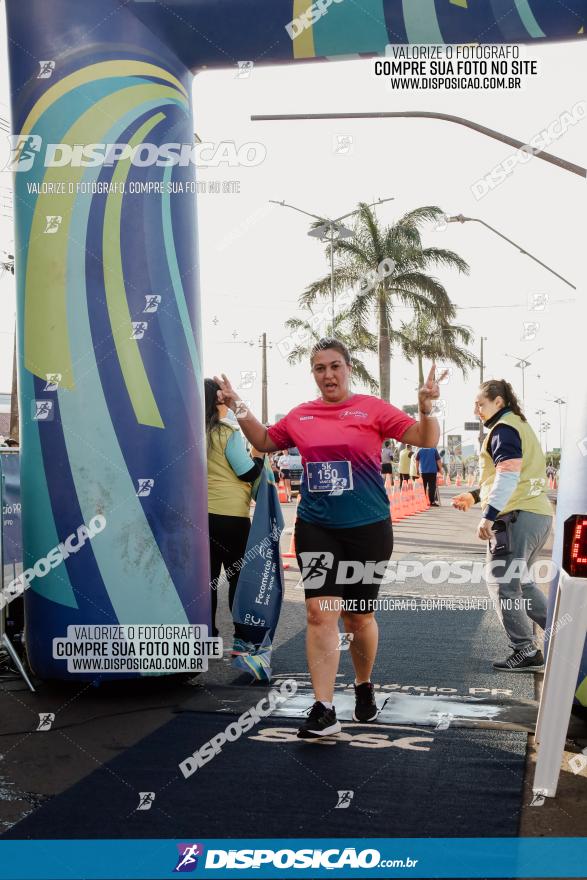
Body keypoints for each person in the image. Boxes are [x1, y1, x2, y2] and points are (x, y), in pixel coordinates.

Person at [214, 339, 444, 739]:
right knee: (320, 613)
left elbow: (425, 439)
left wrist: (425, 408)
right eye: (320, 368)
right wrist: (239, 406)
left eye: (335, 366)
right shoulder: (302, 415)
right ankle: (323, 708)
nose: (328, 375)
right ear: (314, 374)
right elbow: (266, 441)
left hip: (368, 530)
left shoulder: (372, 409)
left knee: (358, 616)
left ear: (348, 368)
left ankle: (363, 684)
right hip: (317, 528)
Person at [452, 379, 553, 672]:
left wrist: (489, 515)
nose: (476, 409)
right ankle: (565, 635)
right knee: (519, 581)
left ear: (498, 402)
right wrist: (473, 496)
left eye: (480, 404)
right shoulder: (518, 425)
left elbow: (508, 476)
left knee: (502, 583)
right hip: (536, 514)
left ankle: (525, 650)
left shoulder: (503, 429)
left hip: (514, 517)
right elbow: (507, 476)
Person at [204, 378, 263, 653]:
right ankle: (243, 639)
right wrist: (260, 458)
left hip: (202, 517)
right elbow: (246, 472)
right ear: (218, 402)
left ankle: (207, 638)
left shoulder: (194, 432)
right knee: (238, 580)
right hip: (232, 518)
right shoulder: (226, 433)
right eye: (223, 399)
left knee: (208, 582)